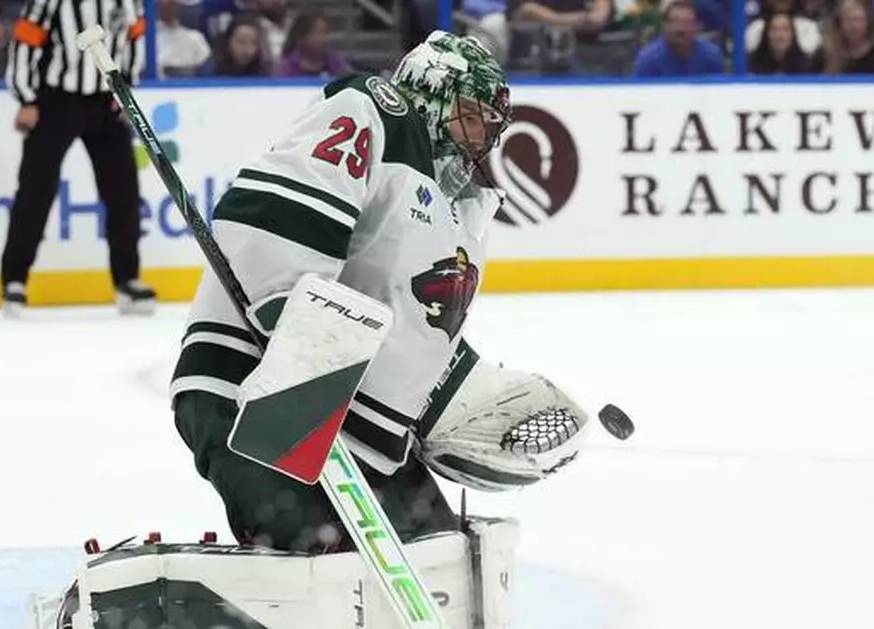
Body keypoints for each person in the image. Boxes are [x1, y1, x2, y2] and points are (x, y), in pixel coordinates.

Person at [169, 30, 591, 555]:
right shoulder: (377, 112)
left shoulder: (460, 214)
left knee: (439, 557)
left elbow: (412, 338)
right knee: (322, 569)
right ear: (430, 94)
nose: (482, 135)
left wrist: (472, 407)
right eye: (470, 114)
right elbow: (276, 218)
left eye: (490, 124)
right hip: (246, 389)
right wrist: (298, 338)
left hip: (353, 429)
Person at [1, 0, 157, 316]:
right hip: (57, 100)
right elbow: (25, 41)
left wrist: (126, 91)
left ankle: (127, 278)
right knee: (35, 189)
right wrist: (26, 98)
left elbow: (135, 37)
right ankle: (14, 280)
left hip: (107, 101)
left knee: (123, 192)